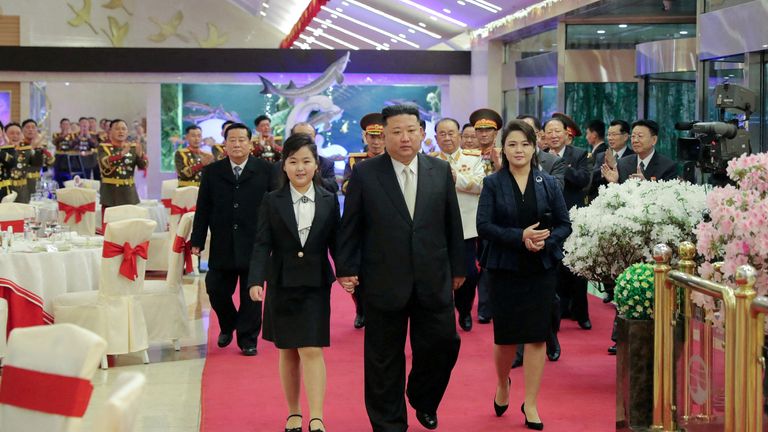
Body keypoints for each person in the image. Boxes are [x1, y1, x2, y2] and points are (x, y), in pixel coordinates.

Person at [336, 105, 465, 431]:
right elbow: (350, 224)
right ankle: (389, 424)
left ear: (422, 133)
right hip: (382, 279)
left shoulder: (439, 170)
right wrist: (346, 267)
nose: (404, 138)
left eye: (411, 130)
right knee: (383, 359)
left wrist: (459, 266)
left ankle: (423, 397)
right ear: (384, 134)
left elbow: (453, 223)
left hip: (432, 277)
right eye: (396, 131)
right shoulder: (365, 173)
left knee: (444, 344)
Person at [476, 120, 572, 431]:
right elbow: (484, 226)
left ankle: (530, 402)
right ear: (503, 148)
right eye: (513, 144)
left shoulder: (549, 183)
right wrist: (521, 237)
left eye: (525, 144)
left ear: (535, 147)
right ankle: (503, 383)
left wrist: (545, 241)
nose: (519, 150)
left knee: (535, 336)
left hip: (540, 268)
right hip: (504, 267)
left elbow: (564, 224)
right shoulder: (493, 183)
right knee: (505, 339)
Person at [248, 133, 339, 432]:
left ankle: (317, 416)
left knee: (312, 349)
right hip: (282, 282)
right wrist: (255, 280)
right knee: (287, 350)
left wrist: (349, 272)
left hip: (315, 283)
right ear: (284, 166)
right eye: (293, 161)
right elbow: (262, 243)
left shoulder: (328, 199)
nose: (300, 168)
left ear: (316, 165)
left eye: (306, 161)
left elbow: (337, 243)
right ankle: (293, 412)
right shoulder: (271, 201)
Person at [190, 122, 272, 356]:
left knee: (252, 295)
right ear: (224, 144)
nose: (237, 144)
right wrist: (197, 239)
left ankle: (248, 339)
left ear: (250, 143)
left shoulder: (266, 170)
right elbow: (203, 208)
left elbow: (275, 206)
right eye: (232, 140)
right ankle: (228, 324)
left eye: (242, 140)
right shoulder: (212, 172)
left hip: (255, 243)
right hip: (223, 242)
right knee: (215, 288)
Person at [430, 117, 484, 332]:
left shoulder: (474, 159)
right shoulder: (428, 161)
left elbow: (481, 185)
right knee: (438, 274)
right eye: (442, 134)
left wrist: (456, 178)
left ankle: (464, 309)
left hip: (466, 227)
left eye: (451, 133)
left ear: (459, 136)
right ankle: (443, 312)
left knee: (469, 273)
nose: (447, 137)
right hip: (436, 229)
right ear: (436, 138)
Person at [545, 113, 593, 333]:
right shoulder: (540, 156)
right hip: (548, 218)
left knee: (576, 267)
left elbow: (584, 181)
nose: (553, 135)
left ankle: (582, 314)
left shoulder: (580, 154)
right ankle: (555, 315)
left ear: (567, 134)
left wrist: (560, 163)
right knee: (553, 269)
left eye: (557, 131)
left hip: (573, 217)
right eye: (549, 131)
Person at [341, 112, 387, 330]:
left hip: (385, 224)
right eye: (372, 137)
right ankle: (360, 308)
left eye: (380, 137)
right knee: (358, 272)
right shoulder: (355, 161)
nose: (376, 141)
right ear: (365, 137)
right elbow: (345, 187)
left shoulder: (392, 161)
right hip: (362, 223)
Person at [470, 108, 503, 325]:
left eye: (488, 131)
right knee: (473, 264)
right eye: (479, 130)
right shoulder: (467, 156)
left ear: (495, 133)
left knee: (491, 263)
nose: (483, 135)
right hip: (470, 216)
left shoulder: (504, 153)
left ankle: (487, 307)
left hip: (497, 217)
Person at [601, 119, 678, 184]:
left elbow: (667, 198)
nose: (635, 140)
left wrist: (645, 185)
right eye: (633, 136)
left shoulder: (668, 166)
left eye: (640, 136)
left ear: (654, 140)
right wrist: (615, 183)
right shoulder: (622, 164)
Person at [272, 122, 338, 194]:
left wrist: (312, 176)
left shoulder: (326, 164)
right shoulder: (278, 167)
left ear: (315, 138)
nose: (305, 140)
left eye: (309, 136)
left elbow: (333, 187)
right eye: (300, 136)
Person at [98, 119, 148, 211]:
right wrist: (122, 154)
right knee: (111, 224)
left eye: (123, 129)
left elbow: (143, 166)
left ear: (127, 132)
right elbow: (106, 164)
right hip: (111, 195)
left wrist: (141, 155)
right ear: (110, 131)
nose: (121, 131)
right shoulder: (104, 147)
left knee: (130, 224)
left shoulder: (132, 147)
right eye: (117, 129)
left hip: (129, 194)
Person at [21, 119, 53, 195]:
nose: (30, 130)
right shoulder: (19, 145)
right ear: (22, 130)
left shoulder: (41, 146)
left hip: (37, 181)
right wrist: (32, 147)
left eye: (33, 127)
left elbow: (50, 162)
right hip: (22, 182)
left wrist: (44, 150)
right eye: (27, 127)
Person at [469, 108, 503, 176]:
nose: (484, 134)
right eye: (480, 131)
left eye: (488, 131)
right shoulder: (468, 155)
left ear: (495, 133)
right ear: (475, 133)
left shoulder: (502, 154)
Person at [52, 118, 78, 187]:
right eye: (64, 124)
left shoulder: (73, 135)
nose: (65, 126)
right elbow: (55, 142)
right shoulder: (56, 134)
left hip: (70, 158)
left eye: (67, 124)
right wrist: (63, 135)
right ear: (60, 125)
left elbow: (75, 143)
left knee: (69, 177)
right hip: (59, 157)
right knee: (57, 176)